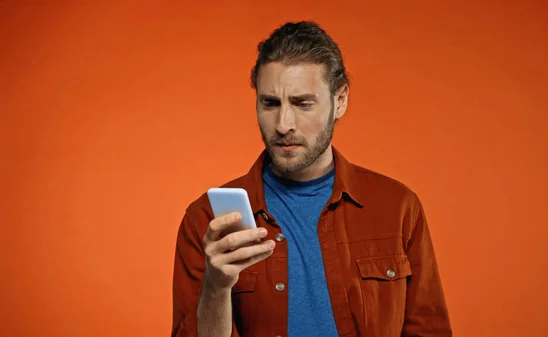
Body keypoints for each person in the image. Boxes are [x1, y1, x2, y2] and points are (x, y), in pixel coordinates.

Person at [171, 21, 452, 337]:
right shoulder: (207, 219)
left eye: (303, 104)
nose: (283, 124)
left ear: (340, 101)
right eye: (270, 103)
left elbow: (429, 330)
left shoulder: (398, 206)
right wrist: (216, 287)